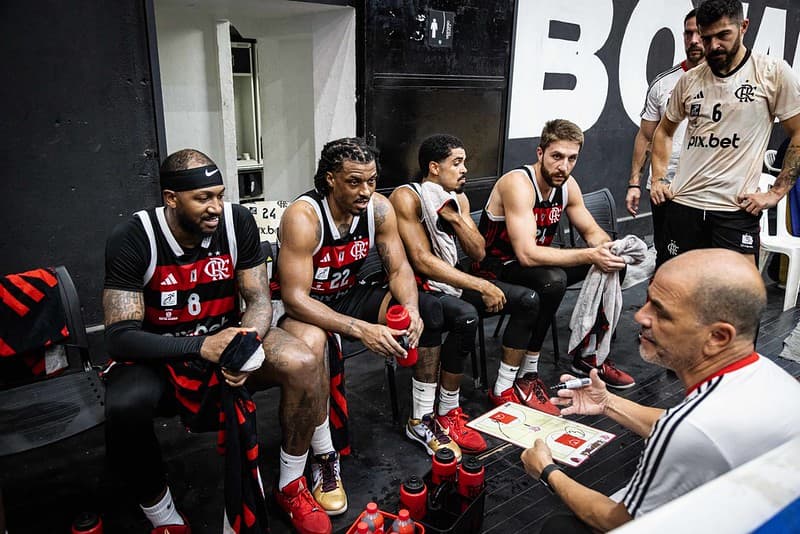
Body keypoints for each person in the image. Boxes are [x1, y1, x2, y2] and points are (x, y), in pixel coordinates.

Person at [103, 149, 333, 534]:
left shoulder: (236, 221)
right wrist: (199, 346)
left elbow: (259, 299)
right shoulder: (133, 237)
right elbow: (120, 337)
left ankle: (291, 483)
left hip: (227, 341)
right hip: (161, 355)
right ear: (171, 199)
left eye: (219, 195)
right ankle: (163, 518)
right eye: (203, 198)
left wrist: (243, 346)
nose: (215, 207)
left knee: (304, 360)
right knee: (125, 405)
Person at [520, 248, 800, 533]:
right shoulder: (769, 377)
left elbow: (617, 520)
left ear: (717, 337)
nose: (640, 316)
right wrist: (607, 403)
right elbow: (693, 431)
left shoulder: (690, 430)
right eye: (647, 302)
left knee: (559, 528)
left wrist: (547, 471)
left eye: (661, 312)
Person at [275, 138, 460, 505]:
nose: (366, 191)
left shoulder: (378, 209)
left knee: (431, 309)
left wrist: (412, 310)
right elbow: (295, 298)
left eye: (372, 181)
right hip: (304, 304)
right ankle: (325, 456)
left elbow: (399, 267)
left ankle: (421, 419)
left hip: (349, 293)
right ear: (330, 179)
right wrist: (361, 329)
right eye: (354, 182)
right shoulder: (304, 216)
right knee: (316, 344)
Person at [390, 134, 557, 432]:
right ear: (434, 168)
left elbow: (478, 251)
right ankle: (447, 409)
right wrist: (481, 285)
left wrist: (454, 217)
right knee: (466, 318)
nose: (464, 169)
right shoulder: (407, 197)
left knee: (528, 301)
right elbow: (421, 260)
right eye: (456, 163)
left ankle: (503, 388)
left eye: (464, 162)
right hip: (419, 286)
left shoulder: (460, 199)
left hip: (452, 279)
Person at [473, 119, 636, 388]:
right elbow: (526, 254)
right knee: (553, 280)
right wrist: (590, 255)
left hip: (535, 263)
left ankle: (590, 355)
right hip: (497, 266)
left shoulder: (568, 185)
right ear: (540, 153)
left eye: (572, 158)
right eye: (557, 157)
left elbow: (591, 230)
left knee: (613, 265)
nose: (564, 166)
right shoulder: (518, 183)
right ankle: (529, 371)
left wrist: (609, 249)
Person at [650, 0, 800, 267]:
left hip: (735, 210)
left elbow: (798, 132)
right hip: (685, 204)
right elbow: (663, 132)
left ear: (743, 27)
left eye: (723, 35)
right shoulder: (690, 79)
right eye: (706, 38)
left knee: (735, 301)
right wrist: (659, 178)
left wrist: (776, 192)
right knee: (677, 296)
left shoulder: (772, 73)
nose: (713, 45)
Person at [626, 8, 705, 244]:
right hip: (665, 186)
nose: (693, 41)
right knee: (665, 253)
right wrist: (634, 184)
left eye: (699, 34)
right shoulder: (663, 83)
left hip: (704, 186)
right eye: (688, 34)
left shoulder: (723, 81)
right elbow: (645, 136)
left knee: (699, 258)